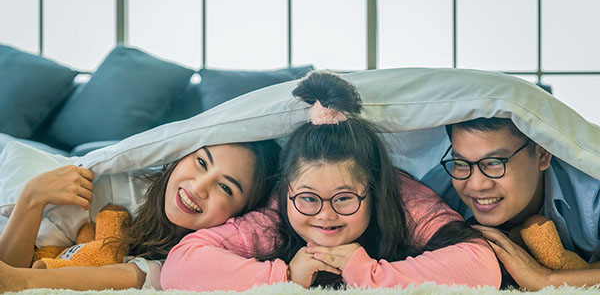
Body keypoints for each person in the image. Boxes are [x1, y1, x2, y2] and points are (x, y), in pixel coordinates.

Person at [160, 71, 501, 291]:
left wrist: (367, 273)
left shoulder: (403, 199)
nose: (325, 216)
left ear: (373, 190)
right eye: (309, 199)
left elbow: (481, 263)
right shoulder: (278, 213)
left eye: (343, 199)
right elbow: (181, 263)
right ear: (287, 191)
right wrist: (285, 277)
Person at [0, 140, 280, 291]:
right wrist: (31, 196)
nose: (198, 187)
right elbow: (9, 263)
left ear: (242, 214)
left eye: (225, 187)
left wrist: (24, 281)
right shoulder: (119, 188)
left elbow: (135, 276)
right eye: (201, 162)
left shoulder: (202, 252)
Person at [438, 117, 600, 290]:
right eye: (461, 164)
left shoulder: (592, 192)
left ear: (543, 155)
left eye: (494, 163)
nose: (475, 185)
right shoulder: (437, 194)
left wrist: (545, 280)